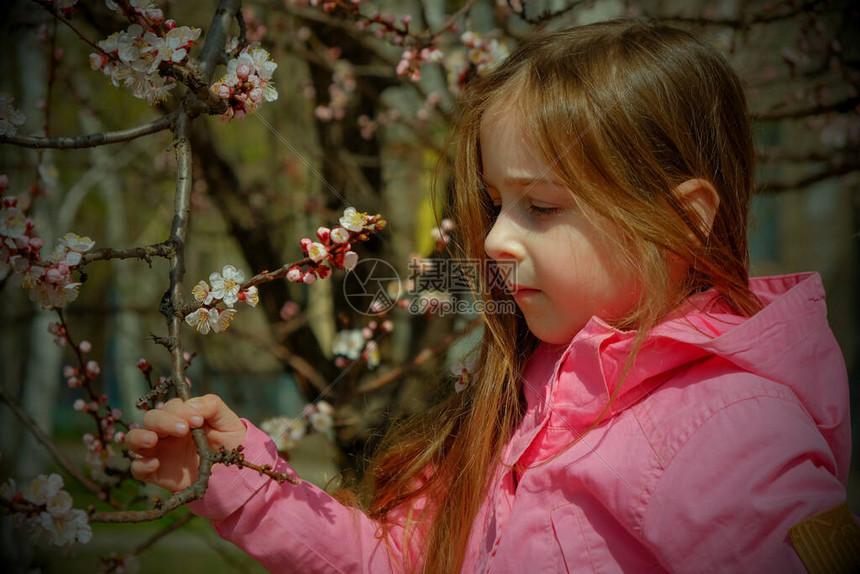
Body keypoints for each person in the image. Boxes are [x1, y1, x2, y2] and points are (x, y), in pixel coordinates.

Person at [127, 20, 852, 573]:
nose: (497, 239)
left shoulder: (730, 432)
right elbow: (405, 558)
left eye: (541, 206)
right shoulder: (527, 398)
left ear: (684, 220)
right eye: (496, 202)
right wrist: (243, 482)